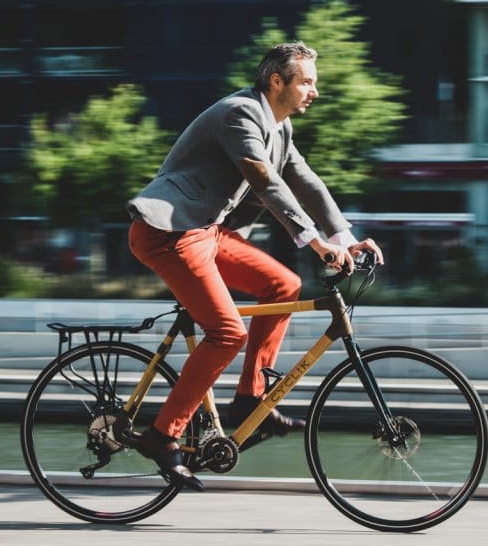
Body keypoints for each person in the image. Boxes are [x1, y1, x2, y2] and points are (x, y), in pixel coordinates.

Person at [124, 42, 384, 490]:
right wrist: (316, 243)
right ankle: (162, 436)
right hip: (170, 232)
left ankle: (250, 399)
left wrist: (344, 238)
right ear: (277, 81)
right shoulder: (239, 114)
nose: (315, 92)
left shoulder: (279, 127)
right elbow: (267, 183)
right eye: (307, 82)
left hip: (206, 232)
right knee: (228, 333)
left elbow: (304, 180)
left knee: (283, 284)